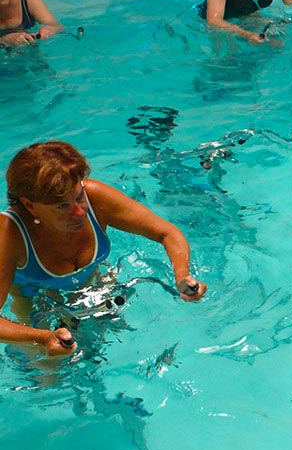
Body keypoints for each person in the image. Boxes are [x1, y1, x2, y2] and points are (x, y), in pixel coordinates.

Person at [1, 141, 207, 357]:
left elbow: (167, 232)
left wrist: (182, 275)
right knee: (50, 372)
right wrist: (41, 337)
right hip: (36, 305)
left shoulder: (96, 196)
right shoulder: (9, 233)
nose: (80, 212)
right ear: (30, 205)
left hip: (94, 286)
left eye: (79, 196)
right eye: (63, 206)